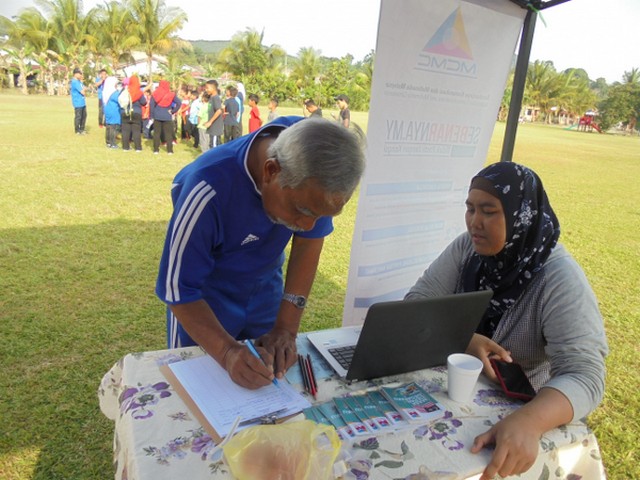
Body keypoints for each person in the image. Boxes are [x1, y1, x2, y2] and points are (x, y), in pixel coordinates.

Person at [404, 161, 608, 480]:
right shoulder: (468, 249)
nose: (475, 222)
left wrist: (531, 421)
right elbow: (416, 302)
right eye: (470, 209)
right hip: (454, 396)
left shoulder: (558, 278)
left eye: (488, 211)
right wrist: (463, 339)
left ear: (521, 216)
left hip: (522, 404)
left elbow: (585, 375)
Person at [156, 117, 366, 389]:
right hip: (205, 303)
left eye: (321, 215)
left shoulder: (319, 159)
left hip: (264, 292)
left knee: (268, 383)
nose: (307, 226)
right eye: (303, 211)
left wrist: (286, 328)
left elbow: (309, 243)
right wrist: (227, 352)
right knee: (196, 389)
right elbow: (178, 289)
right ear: (271, 171)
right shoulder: (207, 187)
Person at [150, 80, 181, 155]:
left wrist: (152, 116)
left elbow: (151, 106)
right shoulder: (171, 94)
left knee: (156, 133)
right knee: (168, 134)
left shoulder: (155, 94)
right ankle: (170, 150)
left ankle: (156, 150)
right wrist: (173, 111)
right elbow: (179, 103)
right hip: (167, 115)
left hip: (157, 115)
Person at [120, 75, 147, 152]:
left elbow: (120, 100)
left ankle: (125, 147)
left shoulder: (125, 90)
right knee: (136, 130)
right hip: (136, 112)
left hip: (125, 112)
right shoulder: (139, 92)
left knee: (125, 130)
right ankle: (138, 148)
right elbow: (144, 102)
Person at [102, 76, 121, 148]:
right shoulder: (114, 93)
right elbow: (120, 100)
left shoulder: (105, 91)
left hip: (107, 110)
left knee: (108, 126)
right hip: (114, 111)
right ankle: (113, 143)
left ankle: (108, 142)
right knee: (114, 127)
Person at [204, 79, 223, 149]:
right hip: (212, 128)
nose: (206, 90)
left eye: (207, 88)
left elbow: (219, 111)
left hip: (215, 128)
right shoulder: (211, 98)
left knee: (214, 147)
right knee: (212, 144)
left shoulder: (216, 98)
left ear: (213, 88)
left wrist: (210, 122)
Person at [70, 67, 87, 134]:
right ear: (75, 74)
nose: (81, 75)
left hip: (82, 102)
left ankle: (82, 129)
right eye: (80, 73)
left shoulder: (79, 81)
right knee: (78, 117)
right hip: (78, 102)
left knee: (84, 116)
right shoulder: (74, 82)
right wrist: (84, 90)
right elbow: (83, 92)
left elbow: (84, 88)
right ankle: (77, 130)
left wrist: (84, 89)